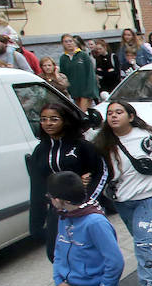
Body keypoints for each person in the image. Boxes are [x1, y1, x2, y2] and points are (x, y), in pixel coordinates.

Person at [94, 101, 152, 286]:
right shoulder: (102, 143)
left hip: (151, 196)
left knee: (145, 242)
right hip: (123, 200)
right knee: (144, 238)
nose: (114, 116)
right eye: (110, 113)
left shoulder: (146, 137)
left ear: (130, 116)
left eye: (119, 112)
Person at [27, 100, 107, 259]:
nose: (48, 123)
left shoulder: (81, 146)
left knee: (89, 251)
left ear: (65, 121)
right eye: (43, 119)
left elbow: (101, 172)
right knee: (55, 253)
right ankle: (71, 282)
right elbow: (37, 186)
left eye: (54, 119)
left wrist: (86, 201)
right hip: (57, 211)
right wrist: (36, 222)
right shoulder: (40, 151)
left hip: (84, 210)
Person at [59, 33, 98, 110]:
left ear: (74, 42)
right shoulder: (63, 58)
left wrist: (90, 90)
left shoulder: (83, 55)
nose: (69, 43)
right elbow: (64, 75)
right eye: (66, 41)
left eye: (70, 41)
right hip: (74, 91)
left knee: (83, 112)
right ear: (62, 44)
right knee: (78, 112)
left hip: (86, 90)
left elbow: (90, 73)